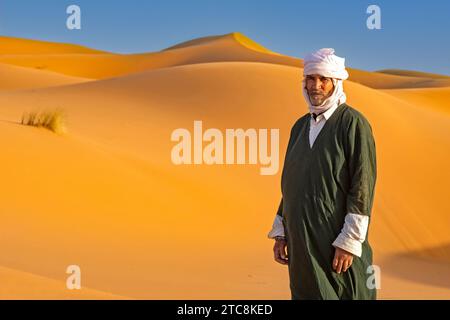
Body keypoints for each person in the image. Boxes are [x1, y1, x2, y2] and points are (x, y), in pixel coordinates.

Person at [267, 48, 377, 300]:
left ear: (335, 82)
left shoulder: (353, 123)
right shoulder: (299, 126)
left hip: (334, 240)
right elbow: (291, 184)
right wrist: (281, 232)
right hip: (301, 241)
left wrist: (348, 241)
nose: (315, 85)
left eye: (323, 79)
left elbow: (362, 186)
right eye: (310, 78)